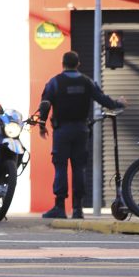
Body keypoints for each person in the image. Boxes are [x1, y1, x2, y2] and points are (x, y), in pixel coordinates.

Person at [38, 50, 126, 219]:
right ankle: (78, 209)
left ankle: (60, 207)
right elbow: (103, 100)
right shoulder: (87, 82)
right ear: (78, 64)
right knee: (79, 168)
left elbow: (45, 104)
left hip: (62, 132)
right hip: (81, 131)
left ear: (63, 64)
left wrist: (42, 124)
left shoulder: (55, 82)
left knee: (61, 167)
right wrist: (119, 103)